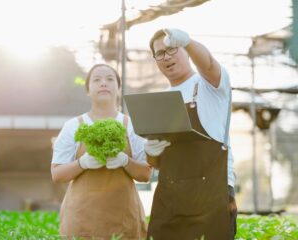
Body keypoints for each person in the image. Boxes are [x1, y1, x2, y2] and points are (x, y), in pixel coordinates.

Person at [145, 29, 237, 240]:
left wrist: (188, 41)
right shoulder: (161, 102)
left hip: (213, 192)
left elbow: (208, 64)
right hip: (170, 196)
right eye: (160, 53)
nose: (166, 56)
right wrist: (150, 152)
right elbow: (157, 163)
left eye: (172, 49)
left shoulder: (210, 85)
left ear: (186, 51)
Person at [51, 64, 152, 239]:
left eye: (110, 79)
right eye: (97, 80)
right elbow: (57, 174)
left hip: (124, 220)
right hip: (81, 220)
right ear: (88, 90)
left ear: (118, 89)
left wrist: (126, 161)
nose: (103, 83)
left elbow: (145, 174)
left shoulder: (133, 126)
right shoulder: (72, 126)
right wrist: (82, 163)